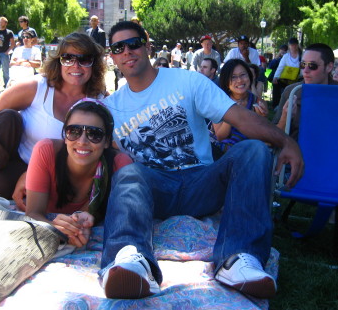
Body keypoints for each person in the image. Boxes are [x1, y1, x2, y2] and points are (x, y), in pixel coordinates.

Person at [99, 21, 303, 300]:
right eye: (118, 47)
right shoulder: (111, 108)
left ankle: (238, 258)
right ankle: (131, 259)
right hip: (155, 187)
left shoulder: (187, 81)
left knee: (253, 150)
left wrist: (286, 141)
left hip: (201, 181)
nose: (127, 51)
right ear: (112, 55)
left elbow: (240, 117)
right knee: (128, 173)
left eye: (133, 43)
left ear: (146, 45)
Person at [0, 32, 107, 207]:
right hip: (11, 160)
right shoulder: (38, 87)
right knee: (7, 118)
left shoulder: (100, 101)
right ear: (58, 61)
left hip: (53, 175)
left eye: (84, 59)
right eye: (68, 58)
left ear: (94, 64)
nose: (76, 65)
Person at [25, 99, 132, 247]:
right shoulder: (45, 151)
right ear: (65, 135)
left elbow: (125, 218)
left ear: (107, 141)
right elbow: (33, 213)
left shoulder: (119, 165)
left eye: (94, 134)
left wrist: (82, 226)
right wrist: (55, 230)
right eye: (74, 131)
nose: (82, 141)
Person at [273, 43, 338, 140]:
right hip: (296, 151)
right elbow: (273, 136)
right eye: (303, 64)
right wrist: (285, 118)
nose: (305, 70)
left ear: (329, 67)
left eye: (312, 65)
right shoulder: (291, 92)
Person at [210, 59, 268, 156]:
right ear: (226, 81)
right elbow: (220, 136)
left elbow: (263, 136)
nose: (239, 80)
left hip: (248, 151)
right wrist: (231, 111)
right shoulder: (219, 102)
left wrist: (260, 119)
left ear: (249, 76)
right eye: (233, 77)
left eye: (243, 75)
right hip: (220, 151)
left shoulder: (257, 102)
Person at [272, 38, 302, 108]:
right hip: (285, 79)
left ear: (297, 45)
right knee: (276, 84)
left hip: (297, 79)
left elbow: (303, 69)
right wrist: (275, 77)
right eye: (291, 45)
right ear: (289, 46)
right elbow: (280, 67)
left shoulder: (301, 56)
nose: (293, 47)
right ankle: (276, 105)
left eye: (294, 45)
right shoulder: (286, 56)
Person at [0, 16, 15, 86]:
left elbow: (13, 44)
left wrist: (8, 51)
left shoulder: (9, 32)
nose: (0, 23)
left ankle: (7, 85)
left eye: (2, 22)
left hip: (4, 53)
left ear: (6, 23)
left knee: (6, 71)